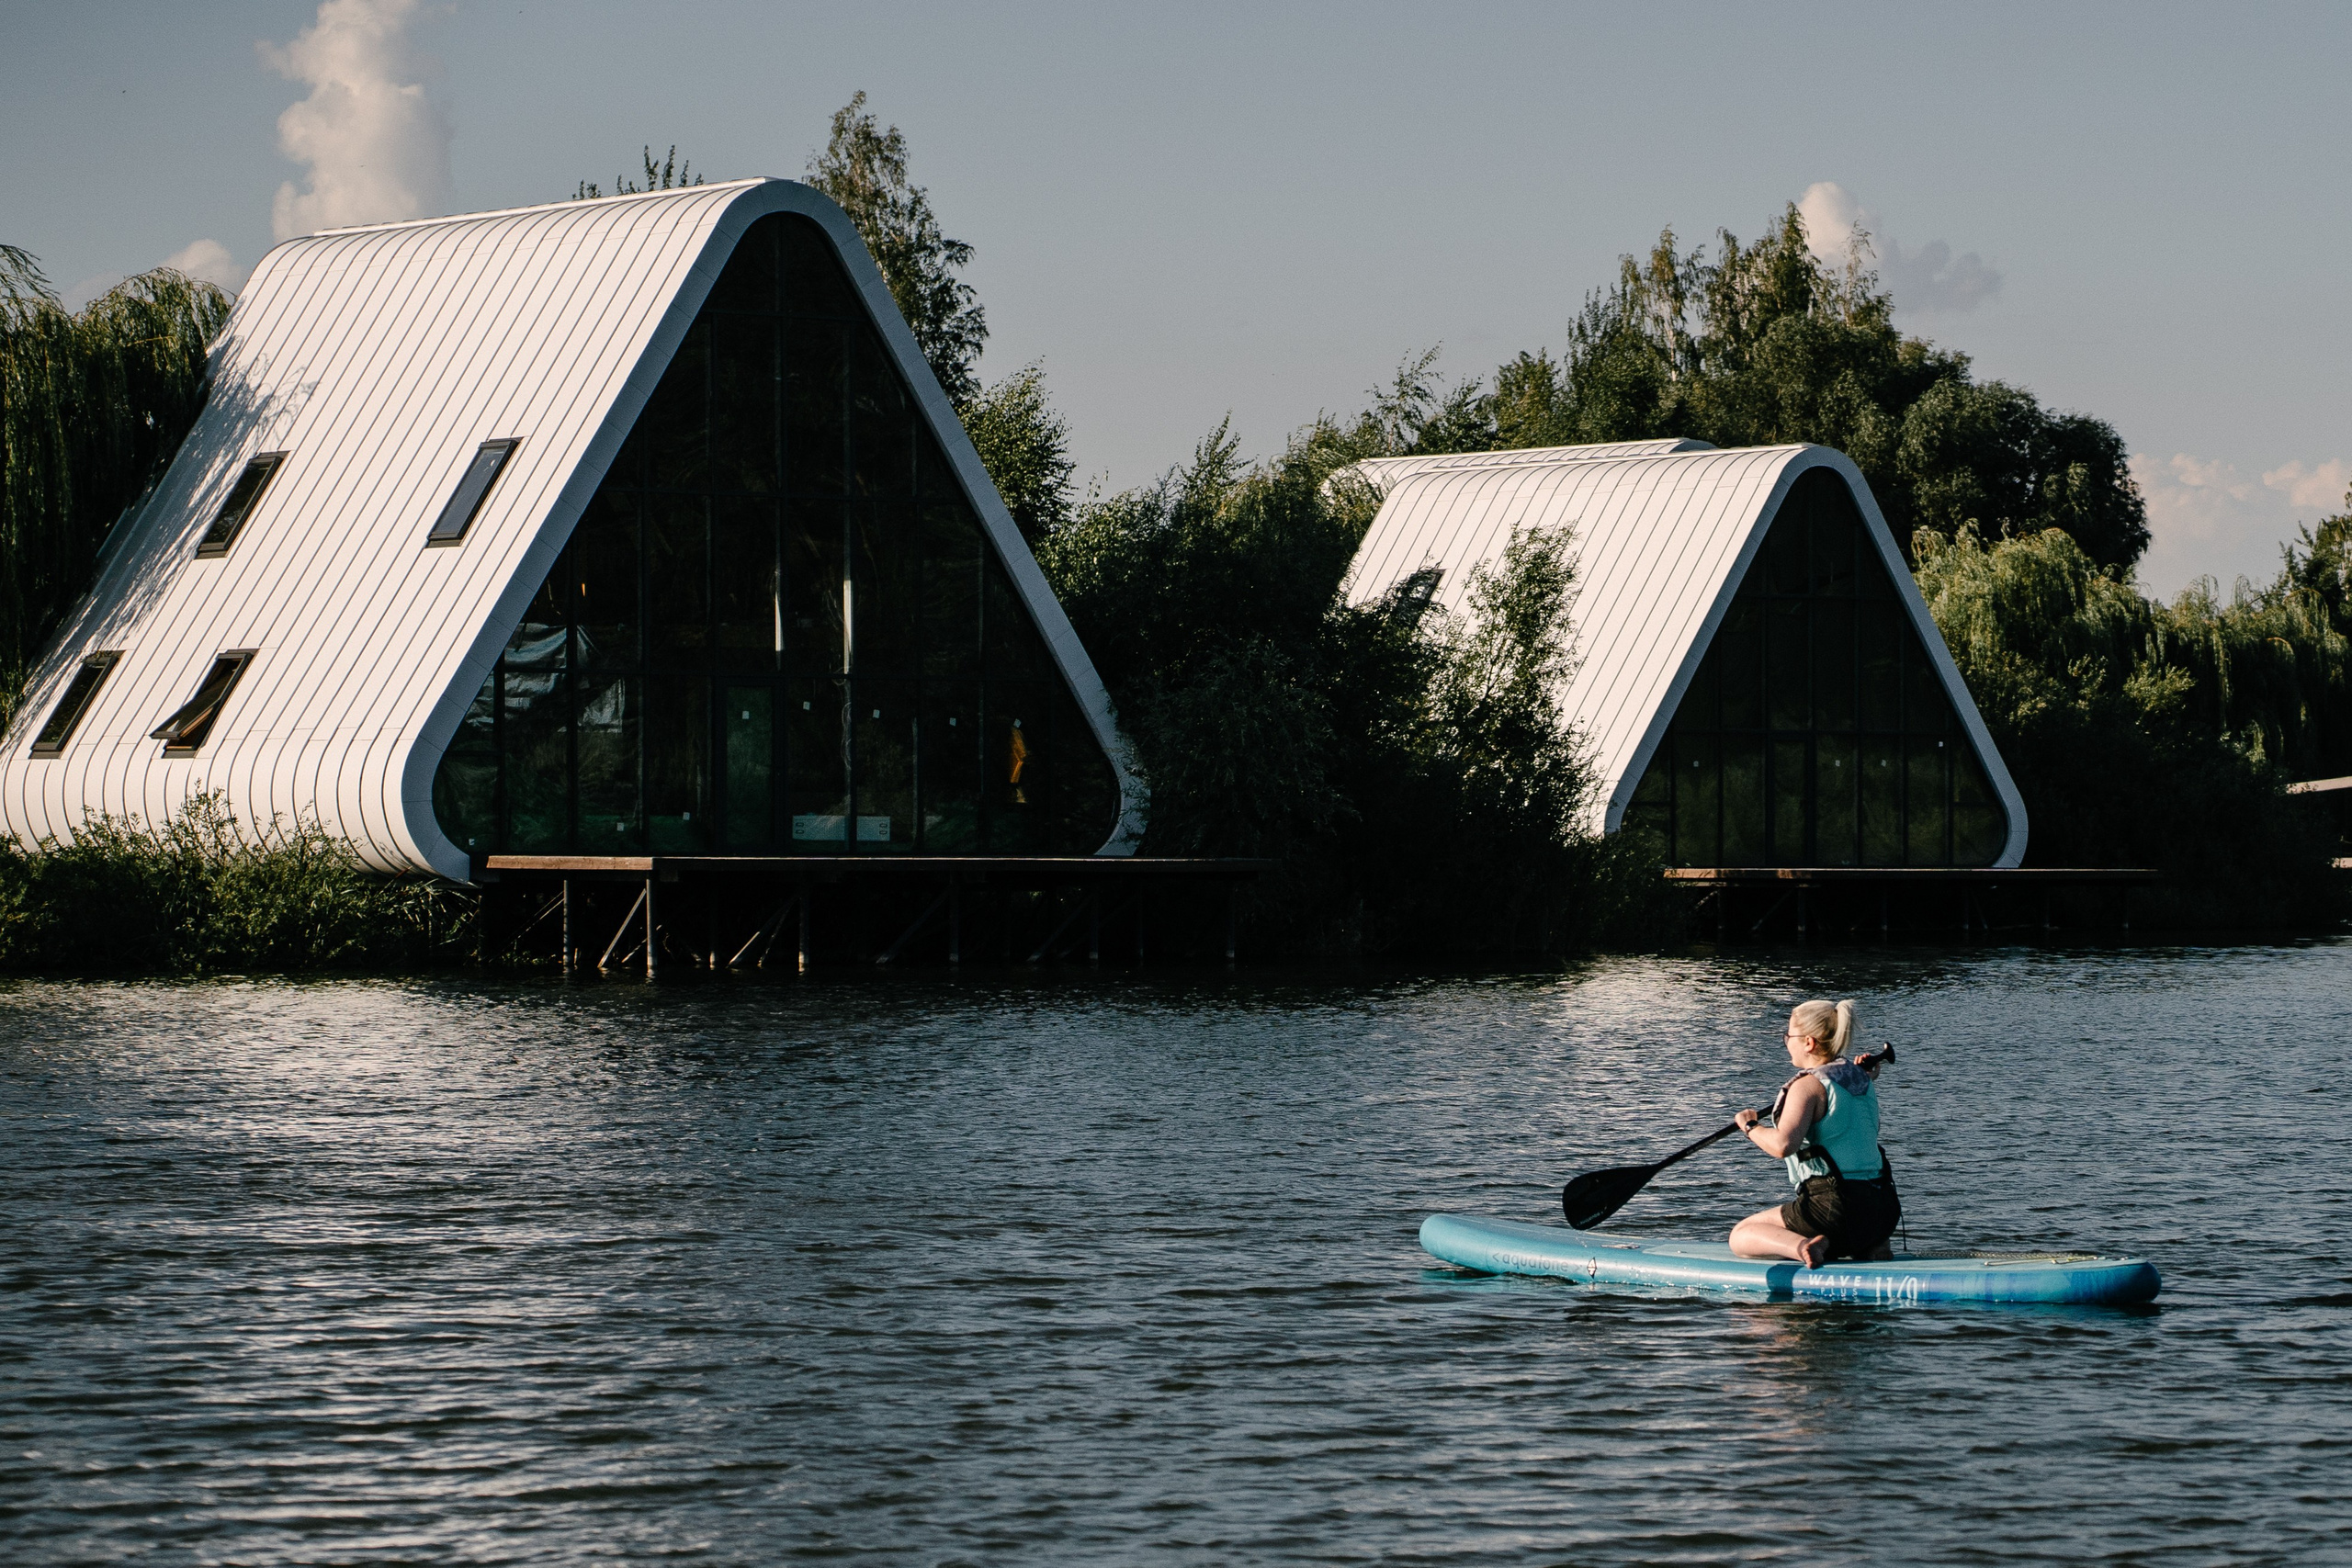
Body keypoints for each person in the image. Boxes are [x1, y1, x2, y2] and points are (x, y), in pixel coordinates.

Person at [1727, 999, 1900, 1268]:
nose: (1786, 1041)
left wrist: (1750, 1127)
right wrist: (1856, 1073)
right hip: (1883, 1209)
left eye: (1788, 1035)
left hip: (1834, 1210)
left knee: (1741, 1235)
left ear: (1808, 1042)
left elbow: (1783, 1145)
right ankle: (1873, 1245)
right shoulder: (1863, 1080)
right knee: (1859, 1218)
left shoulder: (1806, 1087)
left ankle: (1804, 1247)